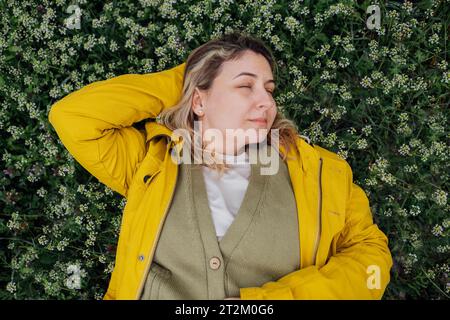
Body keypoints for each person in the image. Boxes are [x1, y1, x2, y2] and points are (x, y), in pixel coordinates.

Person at [48, 31, 393, 300]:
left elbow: (371, 258)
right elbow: (73, 117)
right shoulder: (151, 162)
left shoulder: (321, 172)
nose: (266, 101)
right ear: (199, 99)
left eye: (270, 89)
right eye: (246, 85)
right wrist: (186, 82)